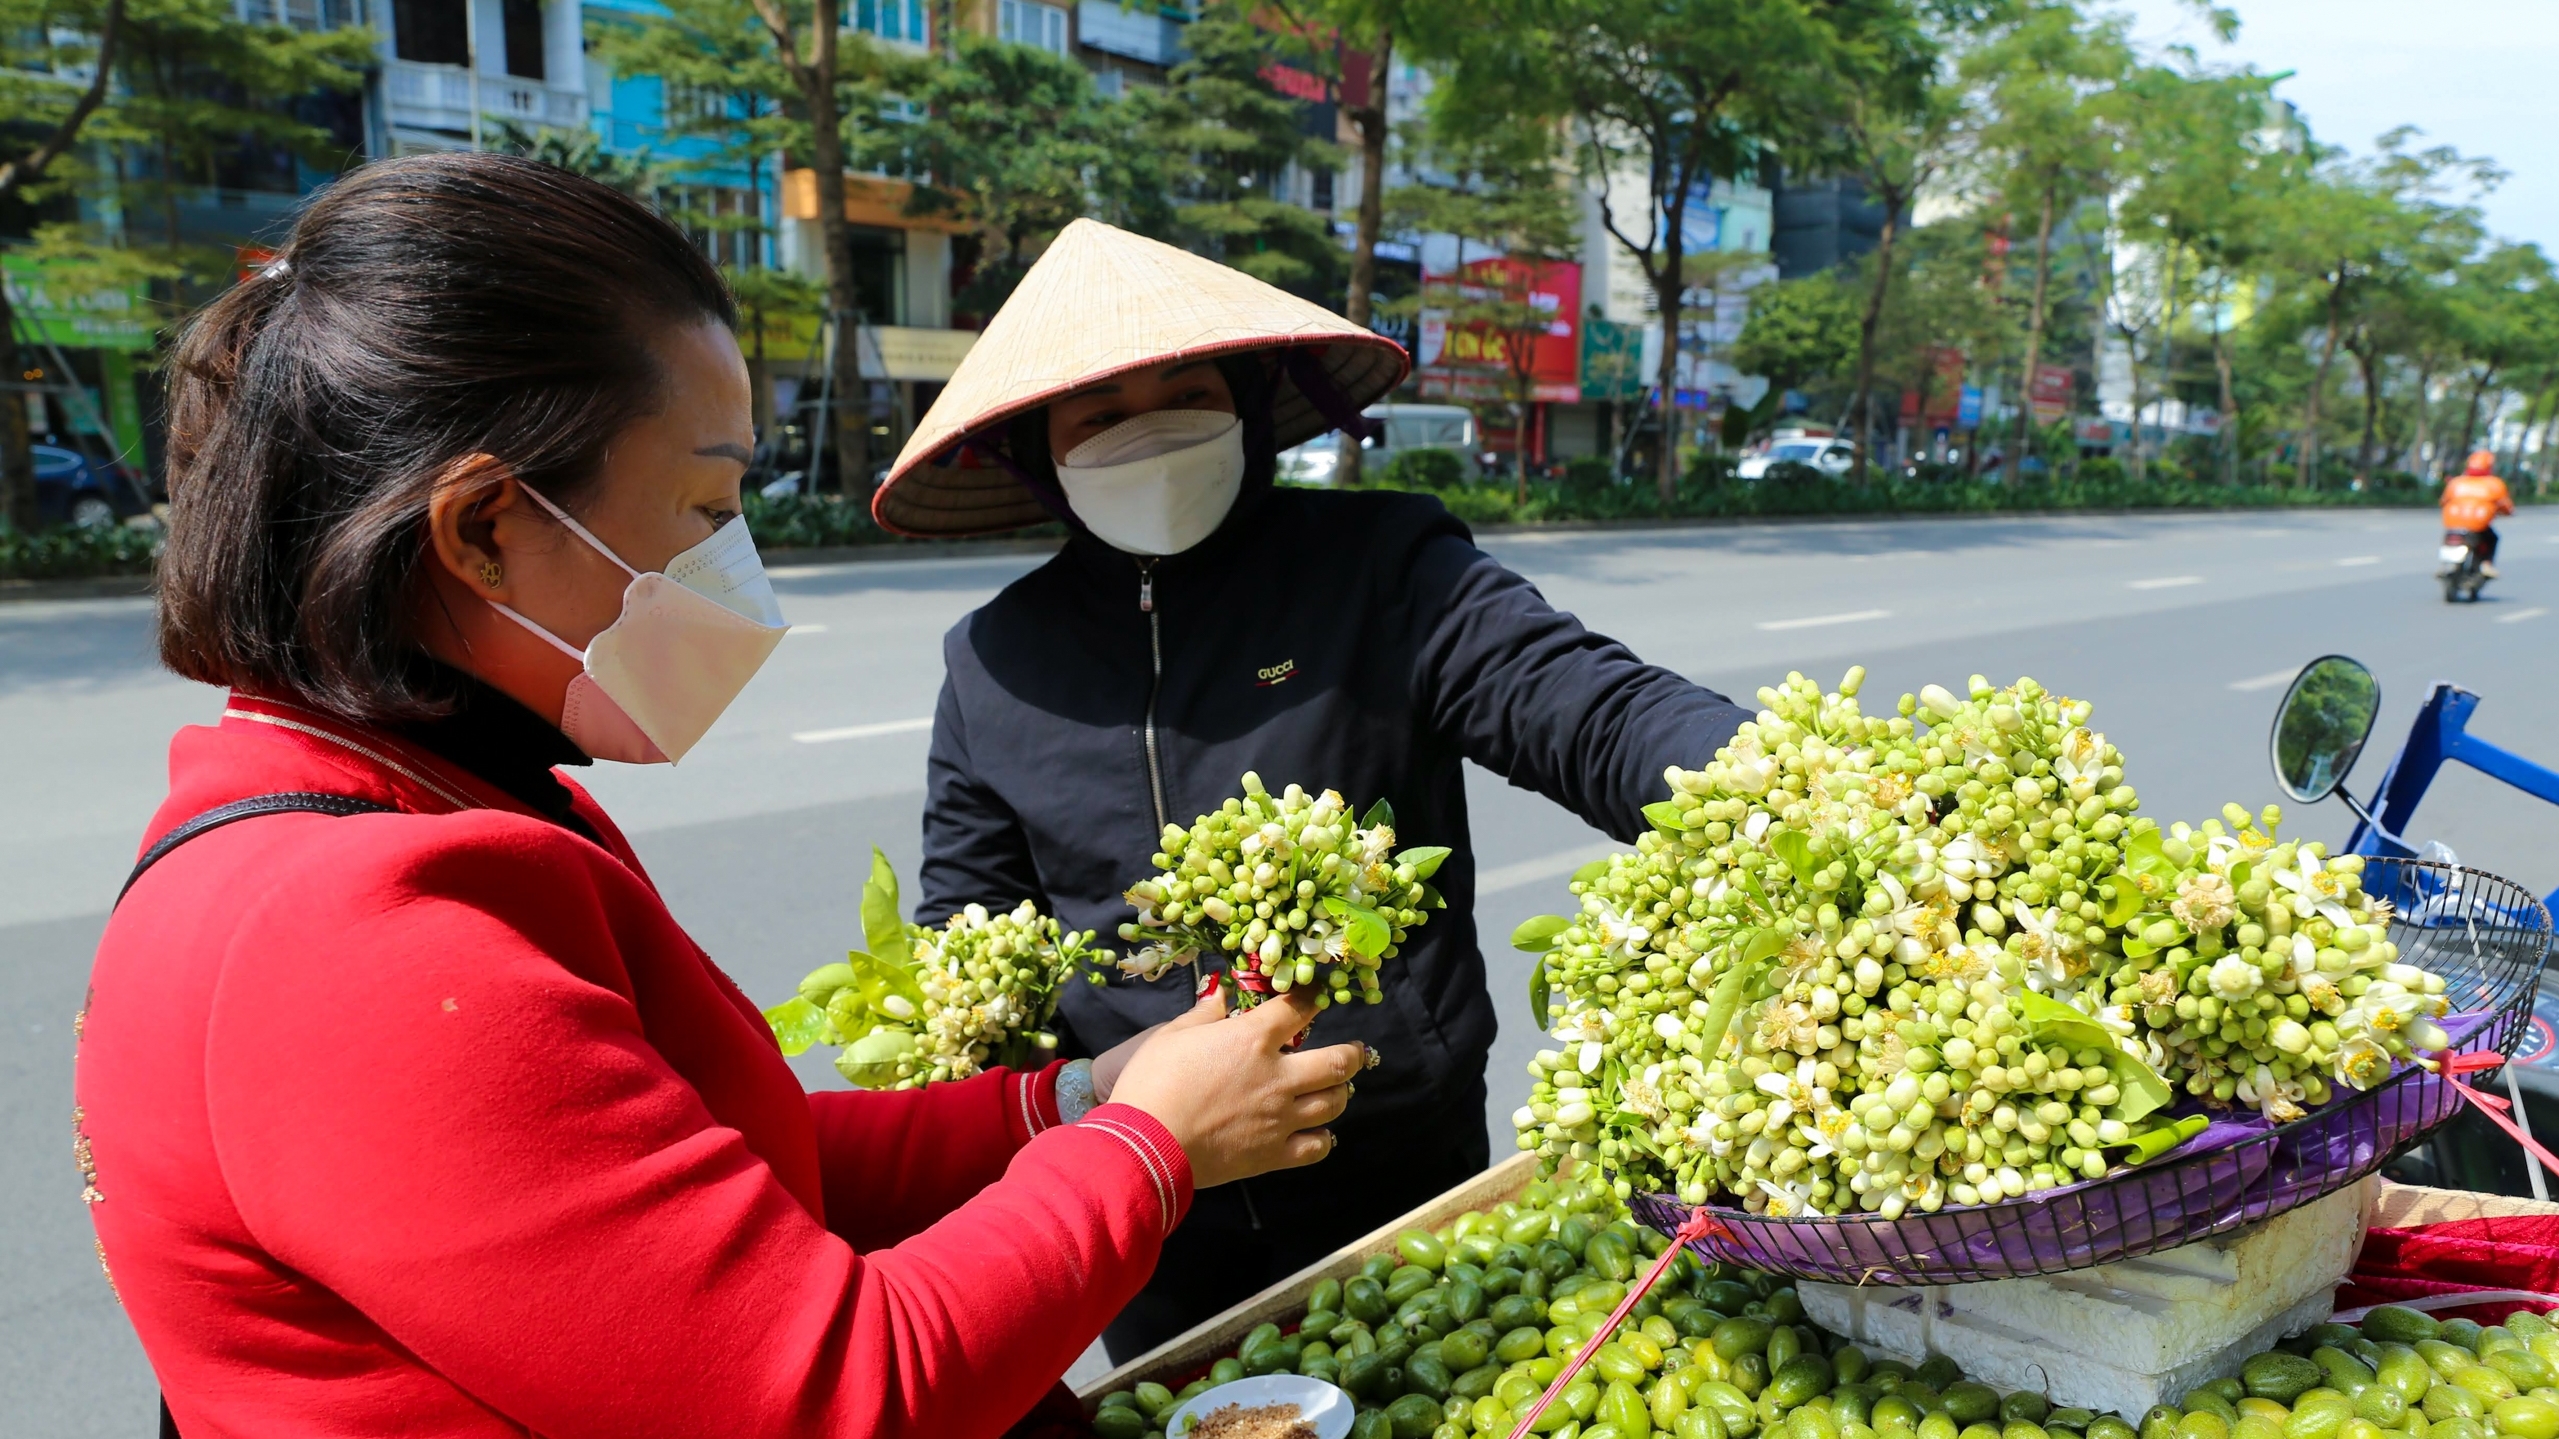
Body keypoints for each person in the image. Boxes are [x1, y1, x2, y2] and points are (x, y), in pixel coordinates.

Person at [77, 156, 1366, 1438]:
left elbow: (728, 1170)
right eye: (706, 504)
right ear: (480, 529)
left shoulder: (433, 806)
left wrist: (1074, 1097)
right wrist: (1150, 1146)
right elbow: (834, 1392)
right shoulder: (352, 943)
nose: (736, 567)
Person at [872, 220, 1754, 1359]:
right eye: (1100, 415)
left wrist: (1779, 778)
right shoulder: (995, 661)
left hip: (1395, 1167)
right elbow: (969, 923)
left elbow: (1586, 705)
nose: (1148, 433)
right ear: (1042, 452)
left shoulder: (1383, 568)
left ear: (1245, 398)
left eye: (1184, 390)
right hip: (1145, 1203)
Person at [2442, 449, 2515, 577]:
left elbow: (2443, 501)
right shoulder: (2495, 484)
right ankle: (2486, 564)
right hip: (2478, 526)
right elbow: (2506, 506)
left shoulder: (2456, 482)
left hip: (2453, 525)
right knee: (2492, 538)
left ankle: (2446, 565)